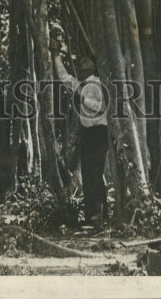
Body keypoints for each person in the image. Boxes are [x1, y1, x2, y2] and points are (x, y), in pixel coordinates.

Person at [55, 55, 109, 228]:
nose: (79, 72)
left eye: (82, 70)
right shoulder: (80, 85)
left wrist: (83, 100)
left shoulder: (98, 84)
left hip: (99, 132)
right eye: (79, 70)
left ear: (89, 71)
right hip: (87, 133)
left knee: (95, 172)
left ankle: (100, 214)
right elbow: (64, 77)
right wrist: (56, 56)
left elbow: (102, 107)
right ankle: (92, 215)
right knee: (88, 173)